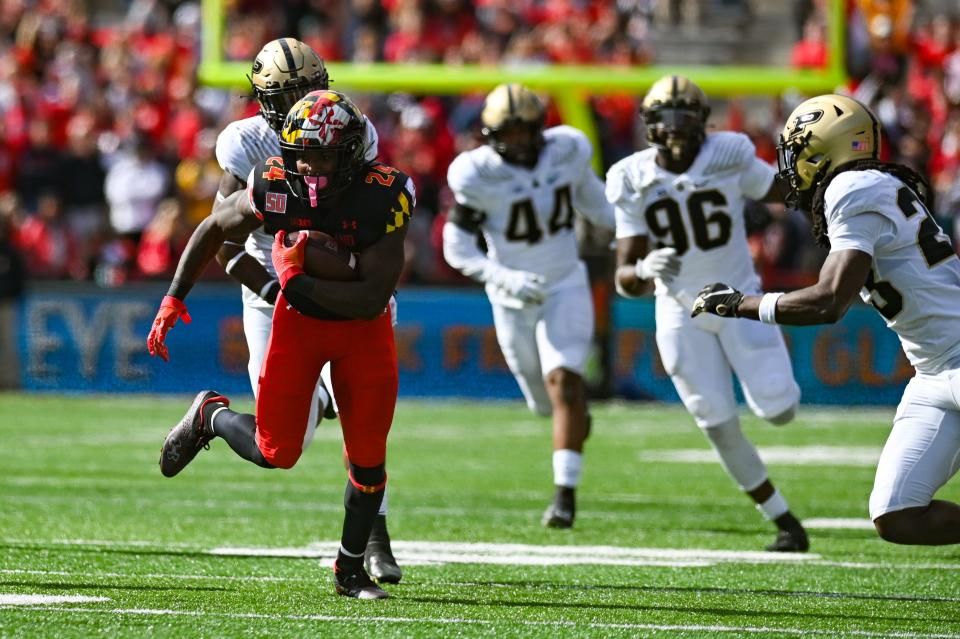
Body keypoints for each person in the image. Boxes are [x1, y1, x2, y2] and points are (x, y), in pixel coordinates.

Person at [147, 90, 415, 598]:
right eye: (303, 154)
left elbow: (370, 296)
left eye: (323, 154)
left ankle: (350, 568)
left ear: (351, 154)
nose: (310, 166)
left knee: (369, 459)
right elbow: (213, 228)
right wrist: (173, 298)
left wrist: (296, 280)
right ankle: (213, 416)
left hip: (362, 327)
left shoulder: (383, 193)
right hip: (298, 327)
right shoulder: (275, 182)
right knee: (278, 450)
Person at [693, 93, 960, 546]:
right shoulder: (866, 185)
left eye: (799, 153)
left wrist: (739, 303)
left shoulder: (852, 188)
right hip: (934, 372)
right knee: (896, 514)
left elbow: (829, 301)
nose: (793, 166)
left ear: (827, 150)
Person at [211, 38, 401, 584]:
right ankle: (214, 415)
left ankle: (373, 540)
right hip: (269, 285)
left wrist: (367, 282)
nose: (300, 100)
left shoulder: (351, 130)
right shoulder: (247, 143)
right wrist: (278, 293)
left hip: (334, 274)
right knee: (287, 442)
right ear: (263, 99)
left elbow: (367, 214)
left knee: (364, 414)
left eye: (307, 88)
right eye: (285, 93)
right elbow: (224, 245)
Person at [606, 75, 808, 552]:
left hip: (739, 298)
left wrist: (824, 178)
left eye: (684, 118)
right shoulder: (630, 176)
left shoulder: (730, 152)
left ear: (703, 123)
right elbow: (624, 279)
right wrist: (642, 267)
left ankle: (781, 513)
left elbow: (779, 192)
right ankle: (783, 519)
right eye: (664, 119)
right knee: (715, 420)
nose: (674, 130)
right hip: (679, 311)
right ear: (648, 125)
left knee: (779, 409)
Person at [443, 83, 615, 529]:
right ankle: (572, 421)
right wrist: (504, 277)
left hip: (564, 281)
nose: (518, 141)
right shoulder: (476, 173)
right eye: (509, 133)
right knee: (543, 402)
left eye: (525, 131)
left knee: (564, 383)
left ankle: (564, 497)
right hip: (511, 295)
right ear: (492, 134)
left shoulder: (568, 150)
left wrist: (635, 237)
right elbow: (456, 247)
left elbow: (598, 207)